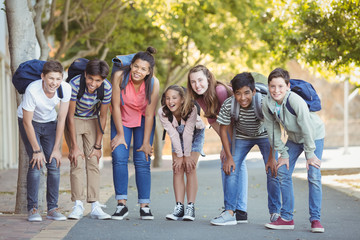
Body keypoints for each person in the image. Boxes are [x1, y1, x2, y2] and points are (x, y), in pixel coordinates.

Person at [210, 72, 281, 225]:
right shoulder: (229, 104)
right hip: (241, 136)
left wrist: (271, 158)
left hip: (264, 136)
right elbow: (223, 129)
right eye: (238, 93)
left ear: (253, 91)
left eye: (247, 93)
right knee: (230, 168)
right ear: (233, 93)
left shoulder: (263, 102)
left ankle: (275, 213)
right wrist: (229, 157)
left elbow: (274, 129)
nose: (243, 98)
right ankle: (229, 212)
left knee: (273, 170)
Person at [262, 68, 325, 233]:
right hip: (294, 139)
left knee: (313, 173)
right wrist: (283, 154)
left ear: (288, 86)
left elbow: (306, 126)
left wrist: (310, 155)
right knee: (282, 170)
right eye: (273, 86)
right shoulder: (266, 103)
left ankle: (316, 219)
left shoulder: (295, 100)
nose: (276, 90)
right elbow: (273, 131)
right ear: (268, 86)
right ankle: (287, 217)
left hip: (313, 135)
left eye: (281, 86)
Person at [186, 65, 251, 222]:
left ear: (208, 78)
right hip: (228, 130)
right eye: (193, 82)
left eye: (200, 80)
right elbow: (214, 120)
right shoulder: (199, 97)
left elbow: (233, 120)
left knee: (233, 163)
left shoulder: (220, 91)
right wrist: (225, 144)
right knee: (231, 163)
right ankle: (238, 210)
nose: (197, 85)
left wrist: (227, 146)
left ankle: (237, 209)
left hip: (243, 126)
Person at [17, 60, 71, 222]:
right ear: (43, 77)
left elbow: (62, 119)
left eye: (57, 79)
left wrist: (56, 148)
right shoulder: (32, 90)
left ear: (61, 78)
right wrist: (36, 150)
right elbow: (27, 122)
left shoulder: (65, 88)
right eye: (51, 78)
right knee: (36, 163)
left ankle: (52, 208)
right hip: (29, 122)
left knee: (54, 164)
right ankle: (33, 208)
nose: (54, 83)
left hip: (50, 124)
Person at [110, 47, 159, 220]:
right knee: (119, 156)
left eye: (143, 69)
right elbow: (115, 106)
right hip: (121, 118)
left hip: (143, 120)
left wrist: (146, 142)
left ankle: (144, 206)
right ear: (131, 65)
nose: (138, 71)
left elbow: (150, 113)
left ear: (148, 72)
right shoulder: (119, 77)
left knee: (143, 159)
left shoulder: (153, 83)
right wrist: (120, 135)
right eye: (136, 66)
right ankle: (121, 205)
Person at [65, 59, 112, 220]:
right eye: (90, 78)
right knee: (76, 160)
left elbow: (103, 116)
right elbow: (69, 116)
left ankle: (95, 205)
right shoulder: (75, 84)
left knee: (93, 161)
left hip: (93, 120)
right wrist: (73, 146)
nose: (93, 83)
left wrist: (98, 145)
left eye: (98, 80)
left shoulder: (106, 88)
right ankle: (78, 205)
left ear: (103, 80)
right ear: (85, 74)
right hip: (74, 120)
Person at [158, 85, 205, 221]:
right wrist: (179, 156)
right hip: (177, 136)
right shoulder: (163, 112)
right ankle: (179, 207)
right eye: (167, 98)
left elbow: (189, 133)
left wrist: (186, 156)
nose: (170, 101)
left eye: (174, 98)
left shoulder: (192, 109)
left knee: (189, 168)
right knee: (177, 168)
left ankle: (190, 208)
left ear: (182, 99)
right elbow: (172, 134)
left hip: (195, 135)